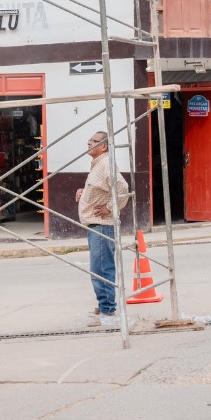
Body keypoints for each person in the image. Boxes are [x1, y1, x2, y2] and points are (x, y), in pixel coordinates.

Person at [75, 131, 129, 318]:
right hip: (95, 224)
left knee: (101, 268)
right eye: (89, 140)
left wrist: (110, 207)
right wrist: (84, 192)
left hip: (102, 224)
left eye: (93, 141)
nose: (88, 143)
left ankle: (107, 308)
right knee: (99, 268)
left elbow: (122, 188)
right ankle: (104, 304)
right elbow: (101, 187)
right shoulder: (98, 164)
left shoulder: (106, 163)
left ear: (104, 146)